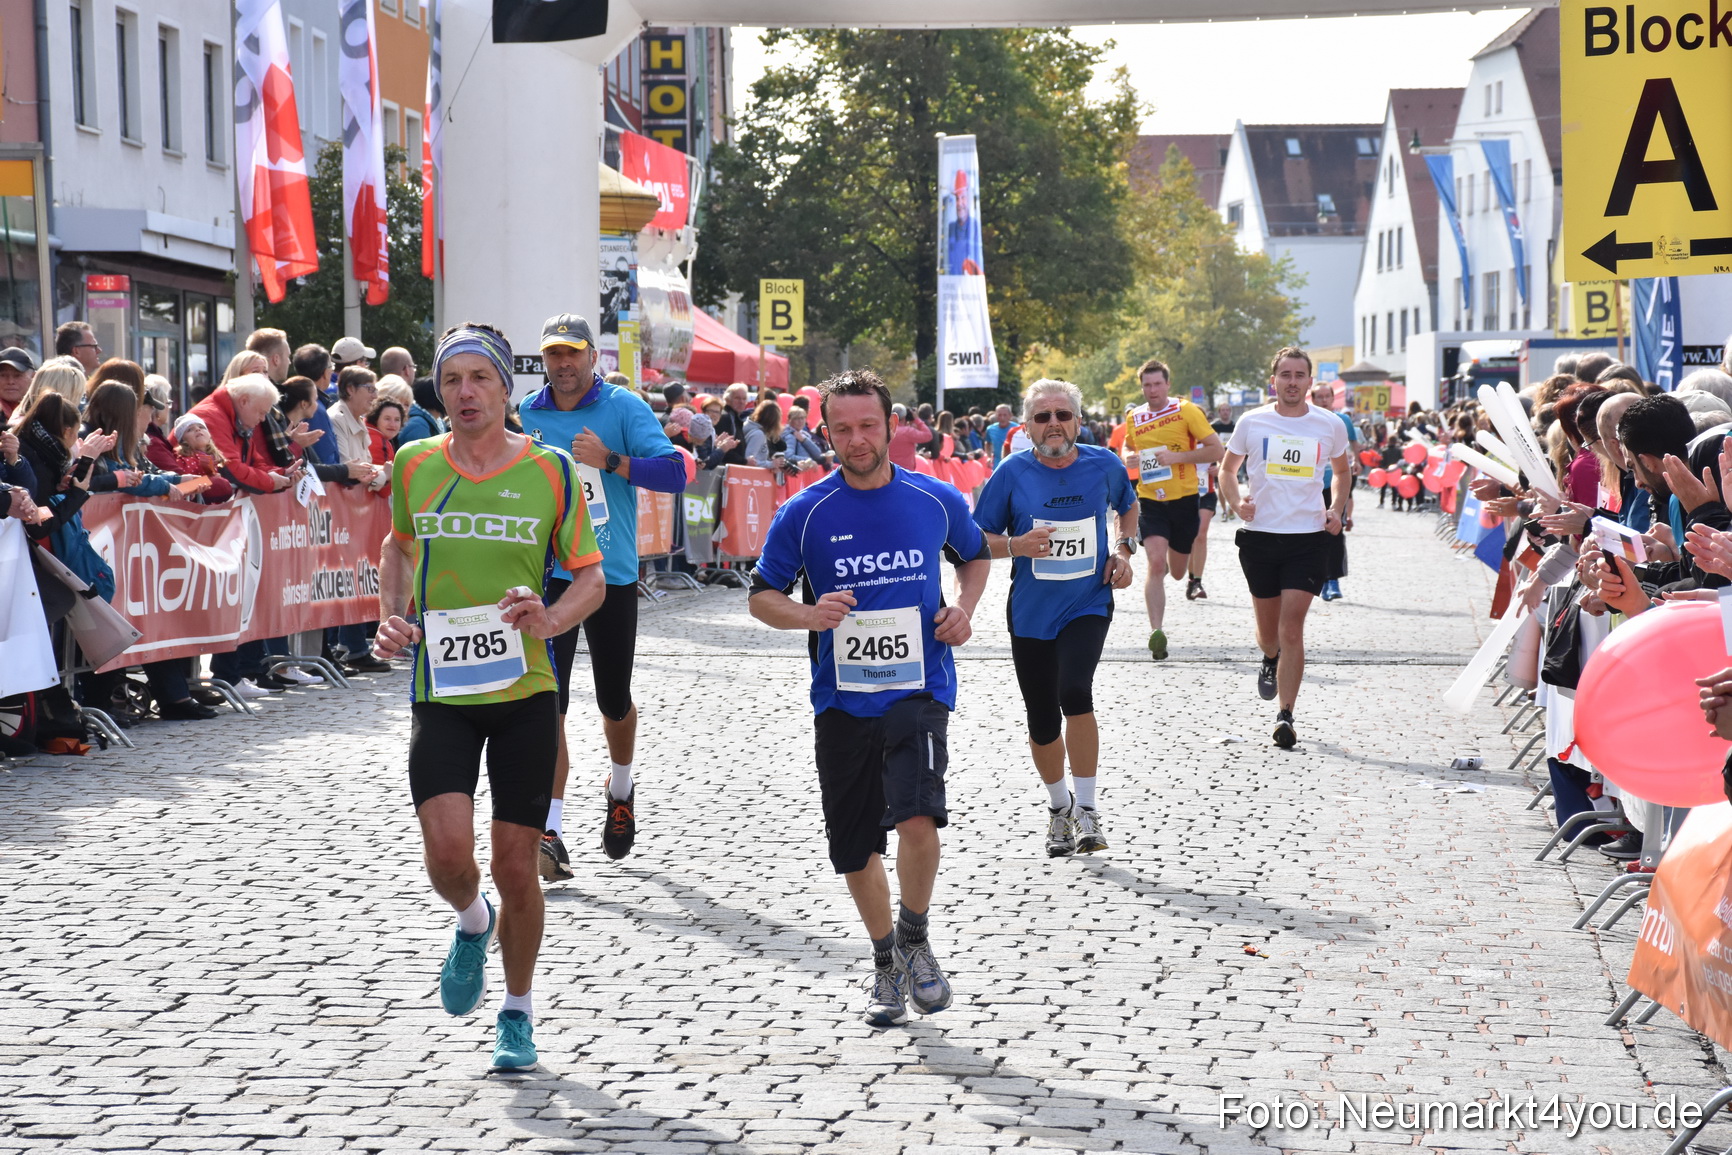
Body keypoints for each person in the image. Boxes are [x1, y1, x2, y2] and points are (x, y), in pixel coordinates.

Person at [372, 322, 605, 1072]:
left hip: (526, 689)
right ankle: (472, 923)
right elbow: (397, 546)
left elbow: (591, 577)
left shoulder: (552, 469)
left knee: (515, 865)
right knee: (447, 857)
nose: (465, 393)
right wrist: (392, 615)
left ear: (508, 388)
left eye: (481, 378)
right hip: (440, 687)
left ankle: (517, 1010)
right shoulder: (414, 464)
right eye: (452, 381)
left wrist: (551, 615)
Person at [748, 368, 990, 1028]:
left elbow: (974, 556)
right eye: (843, 428)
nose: (857, 439)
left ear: (892, 426)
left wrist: (963, 608)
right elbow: (761, 595)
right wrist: (808, 614)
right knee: (856, 847)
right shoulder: (806, 513)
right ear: (826, 432)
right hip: (842, 700)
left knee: (917, 818)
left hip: (921, 688)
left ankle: (916, 936)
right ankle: (887, 958)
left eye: (868, 426)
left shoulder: (934, 499)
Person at [517, 314, 687, 876]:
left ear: (592, 357)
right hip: (550, 577)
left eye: (573, 354)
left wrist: (610, 460)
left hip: (609, 575)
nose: (563, 365)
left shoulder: (623, 408)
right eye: (553, 355)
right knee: (550, 704)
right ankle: (551, 829)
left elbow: (675, 474)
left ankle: (620, 785)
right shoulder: (529, 415)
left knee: (613, 699)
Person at [971, 379, 1135, 857]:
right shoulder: (1011, 472)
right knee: (1042, 718)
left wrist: (1123, 551)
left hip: (1088, 601)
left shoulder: (1104, 464)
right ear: (1027, 427)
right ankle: (1059, 807)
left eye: (1063, 415)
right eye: (1042, 417)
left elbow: (1128, 508)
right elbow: (975, 540)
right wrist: (1017, 546)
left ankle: (1087, 810)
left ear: (1078, 422)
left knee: (1074, 691)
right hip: (1030, 612)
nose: (1054, 424)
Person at [1219, 348, 1351, 749]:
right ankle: (1270, 657)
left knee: (1292, 627)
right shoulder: (1252, 421)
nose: (1292, 381)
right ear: (1273, 380)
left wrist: (1336, 509)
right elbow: (1227, 468)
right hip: (1260, 537)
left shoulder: (1329, 424)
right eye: (1285, 374)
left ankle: (1286, 715)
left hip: (1308, 539)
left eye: (1300, 375)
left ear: (1311, 382)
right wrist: (1237, 501)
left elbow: (1343, 471)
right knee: (1269, 632)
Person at [1119, 358, 1224, 660]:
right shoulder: (1134, 417)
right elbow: (1127, 446)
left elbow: (1216, 450)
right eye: (1146, 385)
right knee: (1154, 563)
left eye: (1157, 384)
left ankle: (1180, 570)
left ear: (1167, 384)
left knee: (1177, 572)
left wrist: (1178, 458)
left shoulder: (1186, 410)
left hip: (1184, 500)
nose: (1152, 390)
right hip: (1151, 500)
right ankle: (1157, 632)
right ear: (1142, 387)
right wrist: (1128, 457)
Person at [1310, 383, 1359, 602]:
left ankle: (1333, 580)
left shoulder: (1343, 420)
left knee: (1335, 531)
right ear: (1313, 399)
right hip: (1311, 485)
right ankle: (1318, 578)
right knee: (1314, 534)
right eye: (1318, 397)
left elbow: (1354, 444)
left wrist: (1357, 460)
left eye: (1326, 396)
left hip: (1335, 482)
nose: (1323, 400)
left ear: (1332, 398)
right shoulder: (1308, 420)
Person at [0, 347, 35, 424]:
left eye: (17, 375)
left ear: (33, 377)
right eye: (3, 375)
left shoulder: (42, 409)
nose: (10, 381)